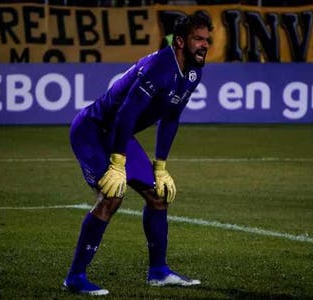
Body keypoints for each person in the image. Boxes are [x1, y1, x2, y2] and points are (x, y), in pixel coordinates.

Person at [63, 11, 213, 295]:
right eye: (198, 39)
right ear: (180, 41)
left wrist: (161, 166)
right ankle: (75, 277)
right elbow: (125, 114)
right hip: (94, 130)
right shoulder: (160, 66)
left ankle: (158, 272)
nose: (204, 44)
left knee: (158, 197)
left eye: (207, 39)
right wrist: (118, 163)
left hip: (119, 133)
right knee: (112, 196)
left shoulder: (194, 71)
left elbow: (171, 118)